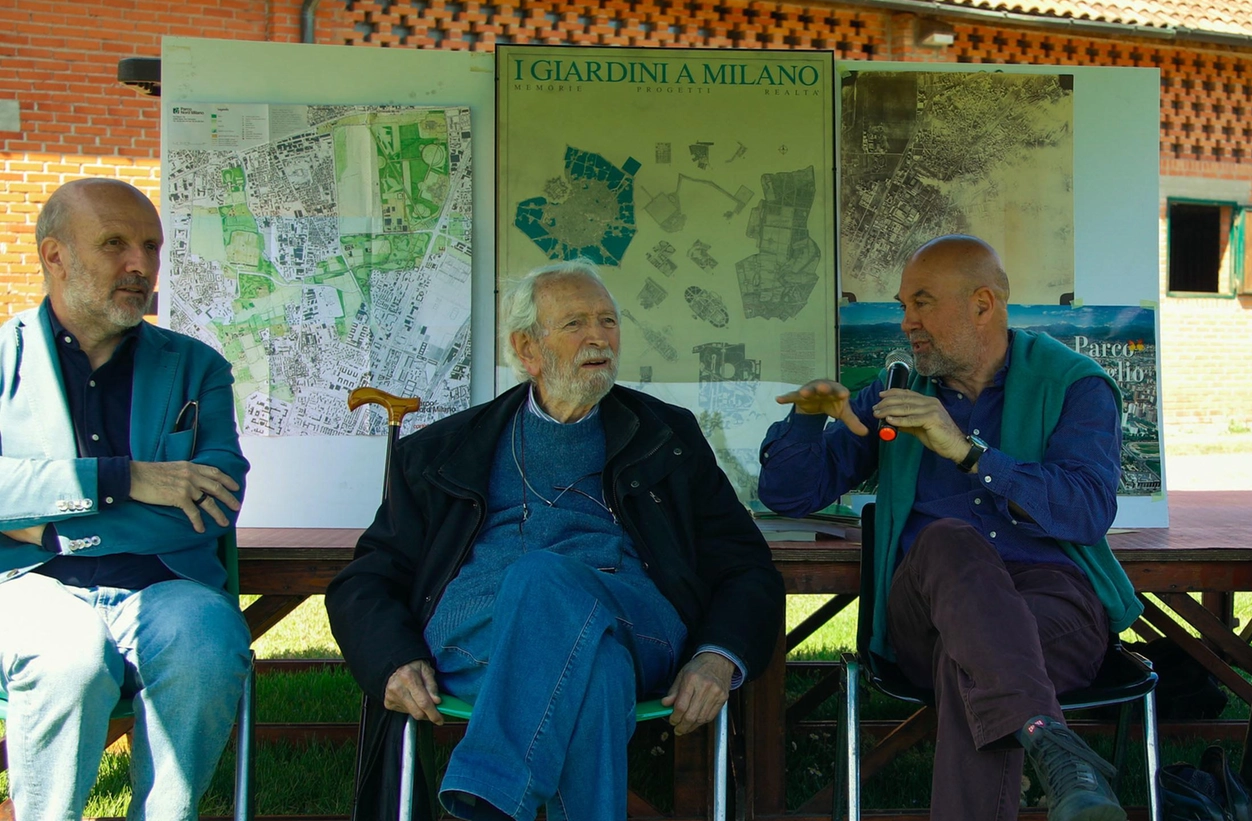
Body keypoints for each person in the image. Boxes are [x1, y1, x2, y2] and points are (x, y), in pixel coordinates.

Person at [326, 260, 784, 821]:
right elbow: (366, 578)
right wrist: (392, 660)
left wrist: (718, 657)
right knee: (597, 670)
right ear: (528, 350)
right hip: (480, 637)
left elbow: (745, 566)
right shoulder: (444, 451)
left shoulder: (668, 438)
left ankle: (489, 794)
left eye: (608, 321)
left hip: (636, 621)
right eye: (575, 324)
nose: (599, 337)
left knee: (542, 576)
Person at [758, 235, 1141, 821]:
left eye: (922, 302)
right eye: (902, 305)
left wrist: (970, 455)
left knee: (973, 664)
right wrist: (807, 421)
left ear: (983, 304)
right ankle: (1060, 753)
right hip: (925, 608)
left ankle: (1044, 738)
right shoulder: (898, 390)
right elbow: (790, 493)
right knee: (946, 539)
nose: (906, 321)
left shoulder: (1075, 386)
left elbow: (1086, 510)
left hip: (1052, 601)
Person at [0, 178, 251, 821]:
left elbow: (217, 500)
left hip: (169, 584)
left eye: (150, 246)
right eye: (114, 244)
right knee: (68, 659)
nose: (140, 264)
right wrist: (127, 479)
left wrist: (42, 521)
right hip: (31, 586)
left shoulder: (196, 366)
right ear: (54, 255)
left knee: (206, 646)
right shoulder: (4, 358)